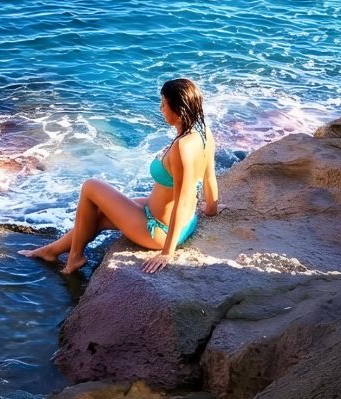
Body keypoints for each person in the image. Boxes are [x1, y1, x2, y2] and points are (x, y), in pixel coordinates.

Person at [19, 77, 219, 275]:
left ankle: (75, 258)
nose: (160, 109)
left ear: (179, 110)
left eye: (164, 104)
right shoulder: (204, 133)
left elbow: (182, 201)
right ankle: (51, 251)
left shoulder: (182, 148)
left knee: (90, 186)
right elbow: (209, 176)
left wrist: (167, 253)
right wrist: (210, 209)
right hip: (184, 221)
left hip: (159, 230)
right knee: (98, 215)